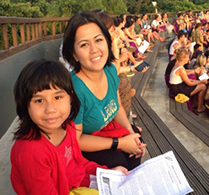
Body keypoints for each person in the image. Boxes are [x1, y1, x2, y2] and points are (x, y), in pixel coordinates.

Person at [11, 60, 129, 194]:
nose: (50, 109)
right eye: (39, 100)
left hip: (76, 185)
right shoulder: (31, 152)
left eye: (58, 97)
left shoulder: (68, 127)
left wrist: (106, 174)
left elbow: (79, 164)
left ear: (70, 98)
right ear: (25, 105)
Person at [62, 11, 145, 170]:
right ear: (75, 54)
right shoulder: (75, 89)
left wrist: (130, 135)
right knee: (119, 163)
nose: (94, 50)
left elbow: (118, 108)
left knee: (135, 146)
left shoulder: (110, 70)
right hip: (85, 144)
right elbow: (76, 140)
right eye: (84, 44)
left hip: (105, 132)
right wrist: (120, 143)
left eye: (98, 40)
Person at [169, 48, 208, 112]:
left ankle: (195, 103)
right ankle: (200, 107)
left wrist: (196, 77)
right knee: (203, 87)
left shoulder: (178, 65)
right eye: (187, 57)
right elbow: (189, 83)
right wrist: (201, 81)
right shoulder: (181, 69)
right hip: (178, 90)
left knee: (197, 83)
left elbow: (186, 74)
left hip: (176, 87)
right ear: (183, 58)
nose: (188, 59)